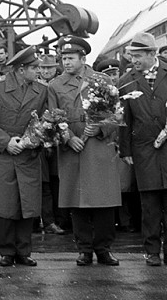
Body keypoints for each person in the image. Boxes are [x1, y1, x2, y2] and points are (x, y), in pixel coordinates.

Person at [119, 32, 167, 267]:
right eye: (131, 56)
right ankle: (151, 250)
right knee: (149, 203)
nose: (134, 60)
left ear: (153, 54)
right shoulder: (126, 80)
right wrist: (126, 151)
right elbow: (124, 120)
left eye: (138, 55)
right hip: (143, 149)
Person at [48, 37, 121, 266]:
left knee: (103, 201)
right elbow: (53, 116)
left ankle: (104, 248)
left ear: (83, 58)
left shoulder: (102, 80)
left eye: (70, 58)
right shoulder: (55, 85)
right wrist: (68, 138)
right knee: (76, 201)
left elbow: (116, 115)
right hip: (74, 149)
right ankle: (84, 249)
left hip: (98, 147)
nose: (66, 62)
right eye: (63, 58)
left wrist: (100, 128)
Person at [0, 46, 49, 266]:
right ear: (20, 69)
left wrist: (34, 139)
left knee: (27, 204)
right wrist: (6, 142)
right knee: (5, 205)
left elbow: (45, 121)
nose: (39, 71)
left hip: (27, 154)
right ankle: (7, 251)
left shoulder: (41, 90)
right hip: (3, 155)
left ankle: (24, 251)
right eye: (34, 68)